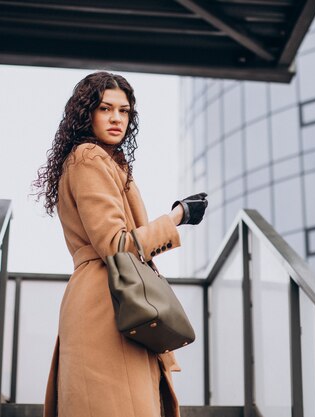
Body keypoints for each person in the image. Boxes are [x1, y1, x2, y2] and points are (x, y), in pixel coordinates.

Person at [33, 71, 208, 417]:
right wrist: (177, 217)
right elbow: (115, 245)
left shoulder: (106, 161)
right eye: (105, 108)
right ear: (87, 114)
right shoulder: (89, 158)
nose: (116, 118)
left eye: (124, 111)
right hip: (107, 302)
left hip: (113, 301)